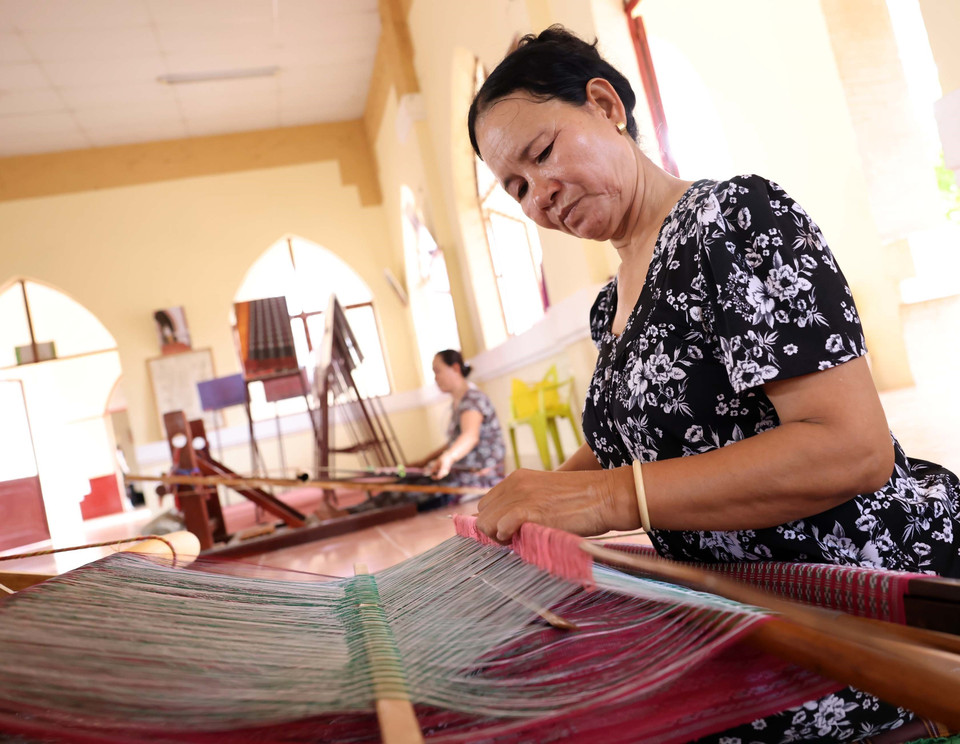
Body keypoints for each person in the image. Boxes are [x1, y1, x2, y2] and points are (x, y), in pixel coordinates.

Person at [467, 25, 960, 742]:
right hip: (738, 604)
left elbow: (852, 448)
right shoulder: (612, 305)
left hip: (856, 600)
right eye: (516, 187)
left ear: (605, 104)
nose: (539, 193)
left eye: (541, 154)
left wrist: (605, 499)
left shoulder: (733, 220)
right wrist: (529, 500)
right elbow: (629, 447)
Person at [404, 349, 506, 508]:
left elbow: (470, 436)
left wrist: (449, 457)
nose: (436, 378)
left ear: (456, 369)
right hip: (461, 473)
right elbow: (454, 442)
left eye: (438, 371)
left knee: (406, 493)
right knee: (406, 480)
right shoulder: (458, 403)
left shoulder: (473, 398)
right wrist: (424, 461)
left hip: (479, 477)